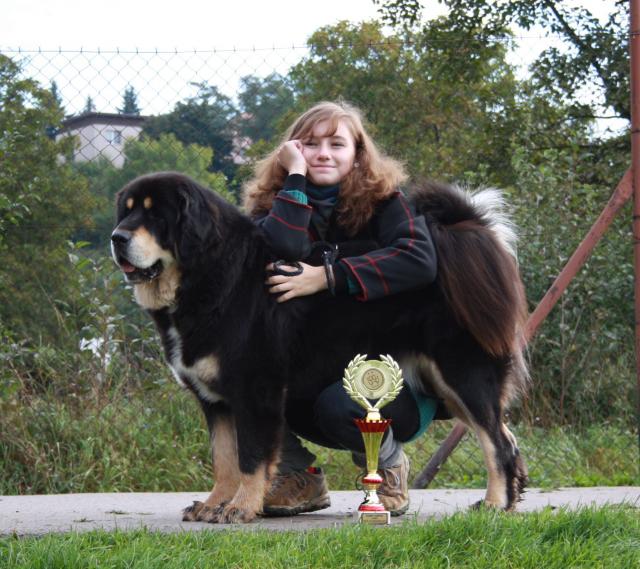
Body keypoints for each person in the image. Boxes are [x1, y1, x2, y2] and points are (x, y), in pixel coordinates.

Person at [243, 100, 440, 517]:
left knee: (344, 402)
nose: (323, 154)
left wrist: (327, 276)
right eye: (310, 144)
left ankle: (388, 465)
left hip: (390, 378)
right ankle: (298, 475)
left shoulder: (386, 202)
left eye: (337, 144)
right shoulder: (272, 207)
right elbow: (282, 246)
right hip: (311, 371)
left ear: (358, 153)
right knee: (240, 381)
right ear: (292, 151)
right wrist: (295, 179)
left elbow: (419, 259)